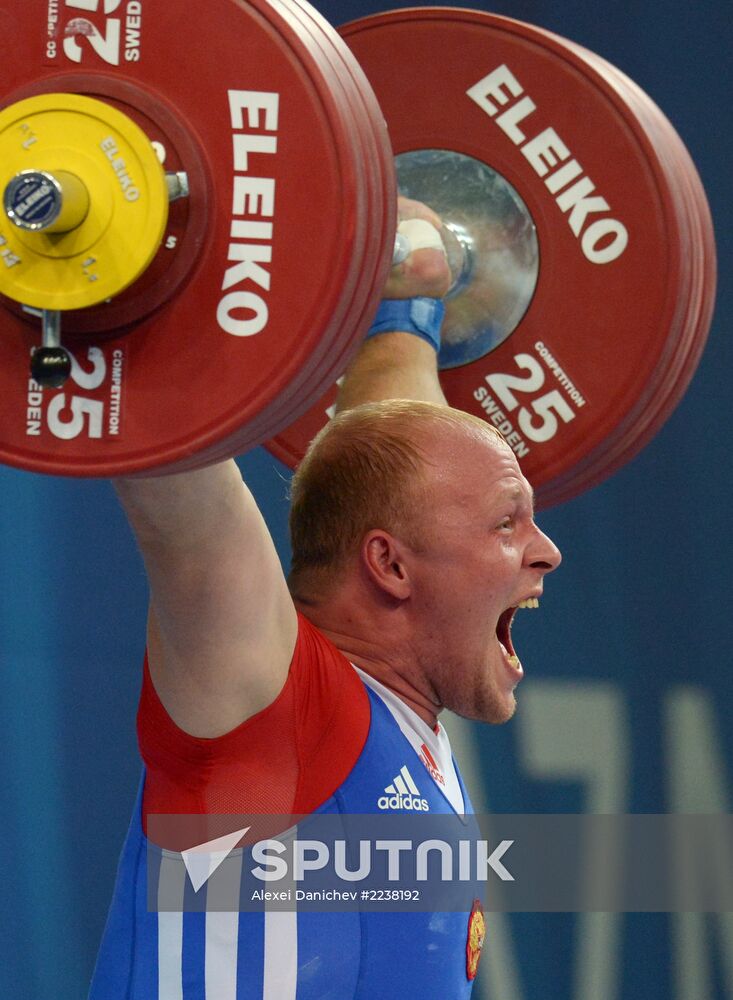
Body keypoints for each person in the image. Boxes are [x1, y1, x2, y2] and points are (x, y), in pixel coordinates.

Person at [90, 198, 561, 999]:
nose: (545, 550)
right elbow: (188, 508)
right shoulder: (275, 719)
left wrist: (406, 301)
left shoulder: (406, 724)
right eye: (508, 522)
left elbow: (394, 442)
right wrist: (111, 253)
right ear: (390, 569)